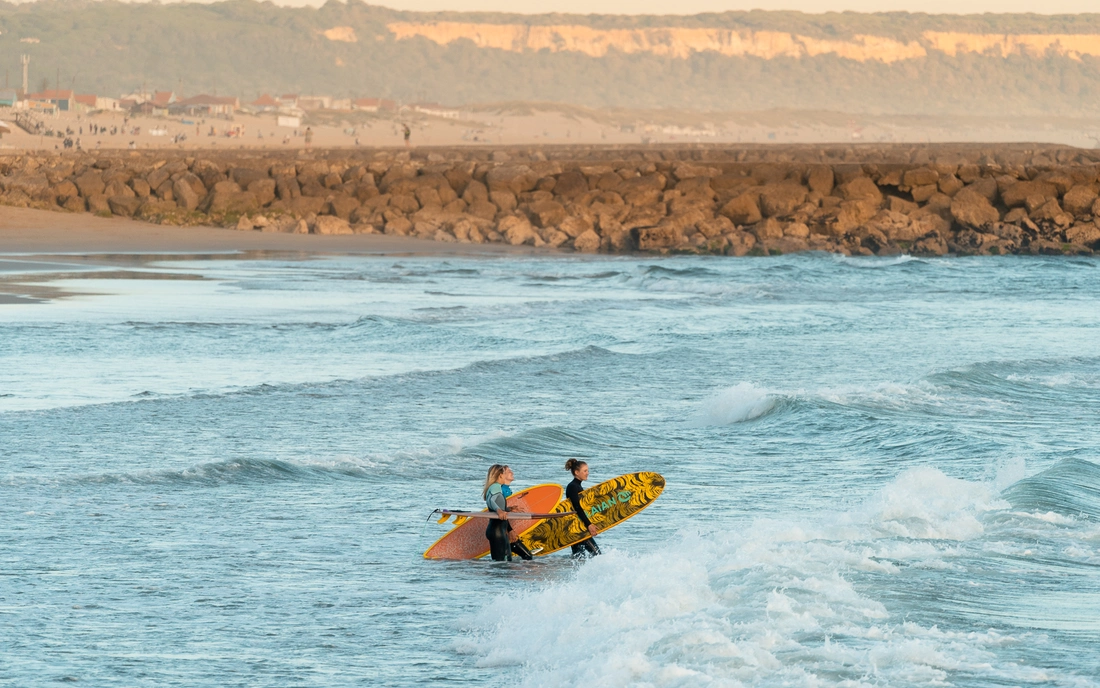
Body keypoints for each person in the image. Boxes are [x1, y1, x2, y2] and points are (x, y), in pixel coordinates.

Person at [565, 459, 601, 558]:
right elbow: (577, 507)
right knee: (597, 555)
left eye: (587, 470)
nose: (587, 473)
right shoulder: (573, 487)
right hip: (578, 529)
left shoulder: (577, 486)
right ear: (577, 472)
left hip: (577, 527)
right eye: (585, 471)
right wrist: (589, 524)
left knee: (579, 559)